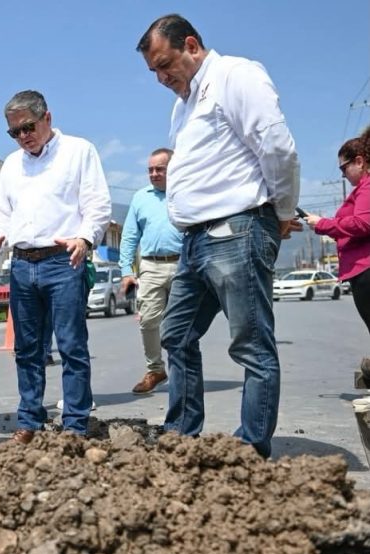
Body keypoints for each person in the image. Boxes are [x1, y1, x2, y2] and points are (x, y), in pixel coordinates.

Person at [136, 14, 301, 458]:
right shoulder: (183, 104)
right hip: (194, 241)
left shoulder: (236, 76)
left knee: (251, 345)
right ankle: (182, 436)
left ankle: (250, 449)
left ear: (191, 45)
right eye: (153, 71)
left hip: (237, 230)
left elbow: (277, 147)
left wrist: (282, 212)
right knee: (176, 334)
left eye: (165, 64)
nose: (161, 77)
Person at [0, 90, 111, 443]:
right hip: (22, 266)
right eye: (15, 132)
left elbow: (97, 203)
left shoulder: (78, 152)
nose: (23, 137)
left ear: (47, 118)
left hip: (63, 263)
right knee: (27, 350)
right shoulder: (11, 165)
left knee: (71, 346)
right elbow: (1, 212)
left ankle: (75, 423)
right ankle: (29, 420)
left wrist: (84, 239)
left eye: (28, 127)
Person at [118, 148, 184, 394]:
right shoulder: (140, 197)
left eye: (160, 169)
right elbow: (129, 237)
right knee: (148, 321)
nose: (154, 174)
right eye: (150, 170)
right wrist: (127, 270)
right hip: (150, 266)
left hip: (183, 265)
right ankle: (156, 368)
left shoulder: (186, 194)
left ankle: (182, 371)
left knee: (180, 323)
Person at [305, 137, 370, 345]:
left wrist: (323, 224)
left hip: (365, 269)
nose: (342, 174)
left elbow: (362, 223)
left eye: (344, 168)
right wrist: (320, 224)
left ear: (359, 161)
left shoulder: (367, 187)